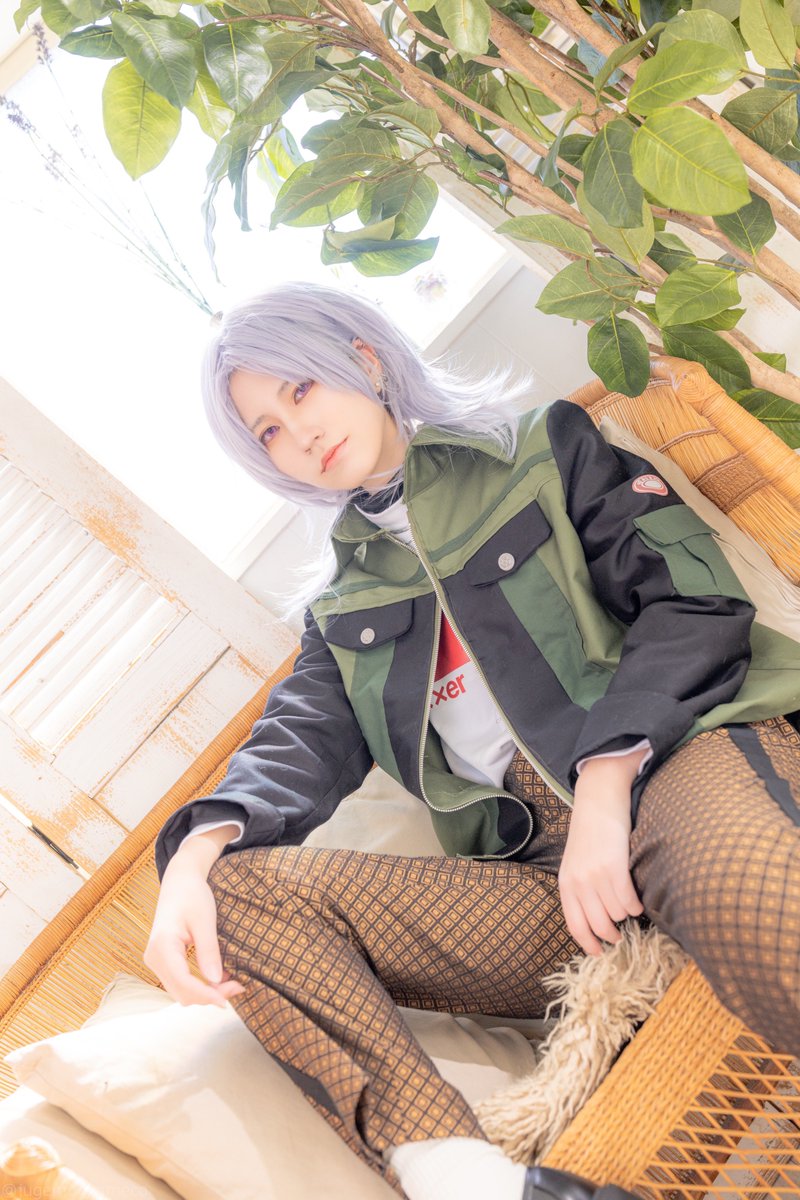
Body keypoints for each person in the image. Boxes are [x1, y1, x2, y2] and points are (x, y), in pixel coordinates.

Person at [146, 281, 800, 1200]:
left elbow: (692, 603)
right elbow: (293, 743)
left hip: (673, 764)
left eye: (300, 389)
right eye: (269, 431)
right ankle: (468, 1180)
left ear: (363, 359)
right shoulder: (341, 608)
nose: (300, 434)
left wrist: (606, 785)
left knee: (761, 907)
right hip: (550, 891)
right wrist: (192, 859)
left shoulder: (541, 447)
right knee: (235, 892)